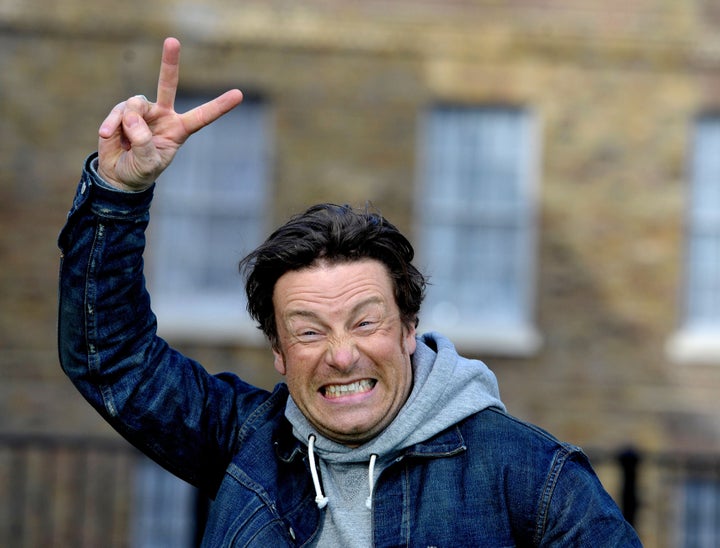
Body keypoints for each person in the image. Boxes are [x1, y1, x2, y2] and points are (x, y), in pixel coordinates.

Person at [58, 37, 642, 547]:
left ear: (410, 329)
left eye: (365, 323)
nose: (341, 355)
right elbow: (112, 358)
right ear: (280, 355)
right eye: (309, 331)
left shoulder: (532, 477)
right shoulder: (246, 445)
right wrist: (119, 192)